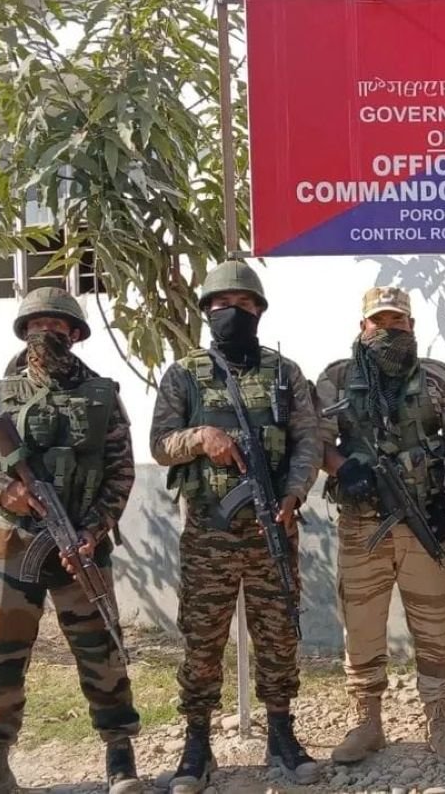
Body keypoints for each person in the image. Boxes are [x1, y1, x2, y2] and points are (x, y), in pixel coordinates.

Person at [0, 287, 143, 794]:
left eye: (56, 325)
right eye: (36, 325)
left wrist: (93, 530)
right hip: (14, 545)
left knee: (101, 651)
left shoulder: (102, 395)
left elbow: (121, 473)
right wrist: (3, 488)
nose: (46, 333)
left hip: (82, 546)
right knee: (2, 653)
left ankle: (119, 753)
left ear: (74, 334)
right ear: (23, 333)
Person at [149, 260, 322, 792]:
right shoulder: (184, 374)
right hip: (210, 533)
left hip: (274, 527)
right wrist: (201, 437)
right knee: (202, 640)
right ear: (208, 311)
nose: (234, 312)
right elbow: (160, 444)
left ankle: (281, 734)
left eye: (244, 304)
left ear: (259, 311)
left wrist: (294, 493)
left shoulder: (285, 373)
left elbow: (308, 441)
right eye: (223, 304)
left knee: (278, 635)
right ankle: (197, 744)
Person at [314, 286, 445, 766]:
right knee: (361, 627)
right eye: (378, 321)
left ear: (411, 325)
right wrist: (343, 468)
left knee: (434, 628)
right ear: (363, 326)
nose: (388, 329)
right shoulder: (338, 378)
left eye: (397, 321)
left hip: (424, 523)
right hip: (362, 525)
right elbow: (315, 440)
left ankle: (440, 723)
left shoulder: (439, 376)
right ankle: (367, 723)